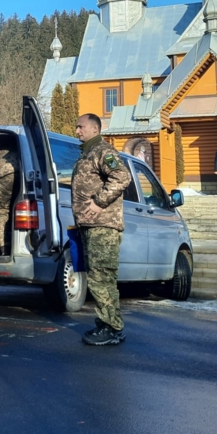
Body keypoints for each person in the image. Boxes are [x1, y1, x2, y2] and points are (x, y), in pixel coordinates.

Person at [72, 113, 133, 346]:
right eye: (76, 127)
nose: (77, 131)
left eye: (81, 127)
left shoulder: (102, 151)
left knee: (102, 277)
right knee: (98, 277)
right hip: (90, 225)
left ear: (95, 129)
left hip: (103, 226)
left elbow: (122, 176)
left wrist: (99, 202)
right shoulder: (87, 153)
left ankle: (112, 328)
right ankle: (107, 323)